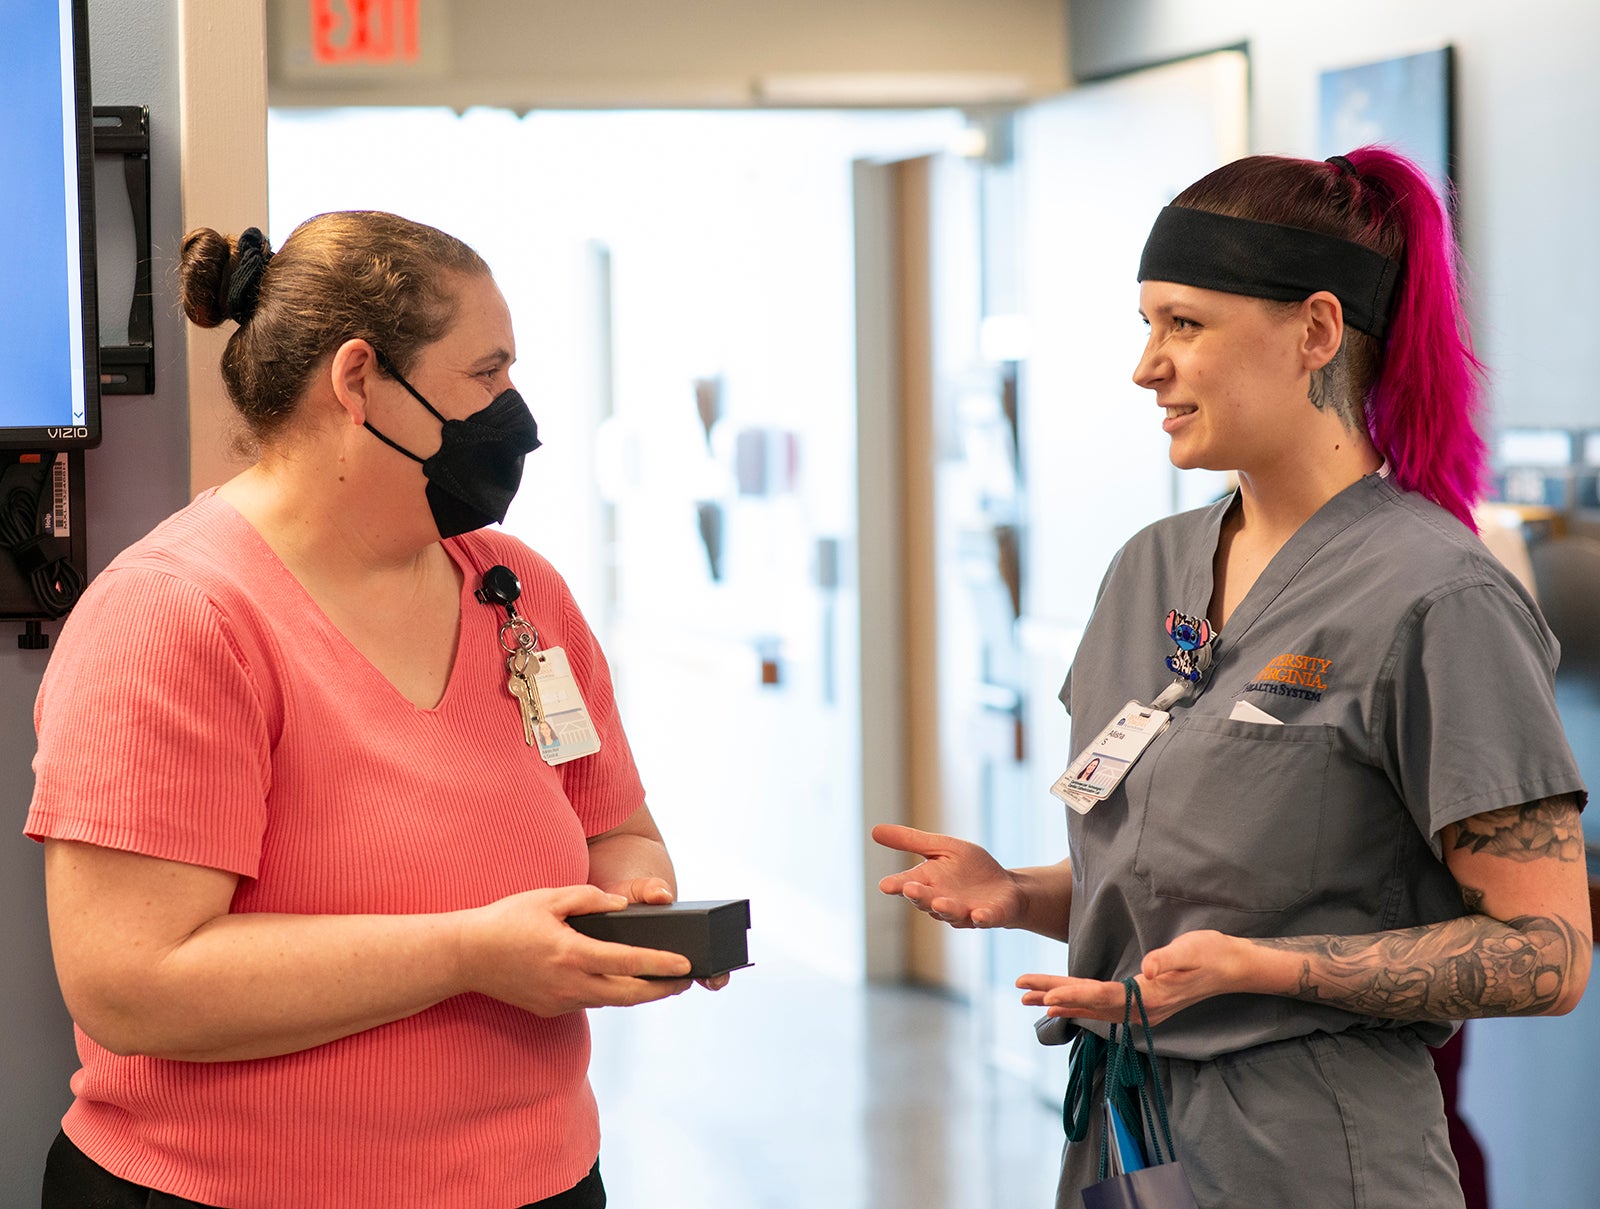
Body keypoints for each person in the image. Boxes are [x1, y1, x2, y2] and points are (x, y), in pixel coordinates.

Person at [874, 148, 1590, 1209]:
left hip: (1311, 1157)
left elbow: (1548, 954)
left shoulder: (1437, 596)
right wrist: (1021, 894)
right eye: (1146, 324)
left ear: (1314, 331)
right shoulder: (1148, 569)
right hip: (1129, 1139)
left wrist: (1265, 970)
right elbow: (1196, 882)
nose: (1146, 366)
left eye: (1184, 324)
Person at [26, 211, 726, 1209]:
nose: (516, 411)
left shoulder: (515, 590)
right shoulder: (176, 616)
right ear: (358, 380)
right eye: (486, 372)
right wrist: (471, 953)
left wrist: (630, 909)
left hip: (542, 1178)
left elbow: (616, 829)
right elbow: (131, 984)